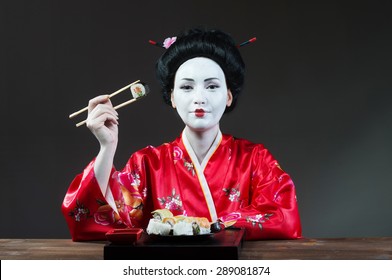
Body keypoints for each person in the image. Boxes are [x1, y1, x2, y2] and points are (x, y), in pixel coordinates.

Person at [62, 27, 302, 241]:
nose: (200, 97)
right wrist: (107, 147)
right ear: (173, 97)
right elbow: (95, 224)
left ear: (228, 96)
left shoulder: (256, 159)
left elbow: (283, 216)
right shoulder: (147, 163)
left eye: (212, 86)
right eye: (187, 87)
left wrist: (206, 227)